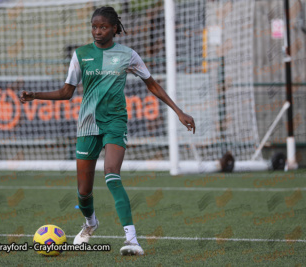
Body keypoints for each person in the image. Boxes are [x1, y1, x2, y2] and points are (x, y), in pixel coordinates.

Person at [20, 6, 195, 256]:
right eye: (94, 27)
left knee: (112, 174)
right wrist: (35, 95)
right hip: (87, 125)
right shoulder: (81, 54)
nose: (97, 31)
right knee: (83, 191)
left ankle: (132, 239)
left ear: (114, 28)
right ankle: (90, 223)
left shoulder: (128, 55)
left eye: (103, 27)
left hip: (115, 122)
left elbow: (152, 84)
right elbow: (66, 92)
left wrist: (179, 111)